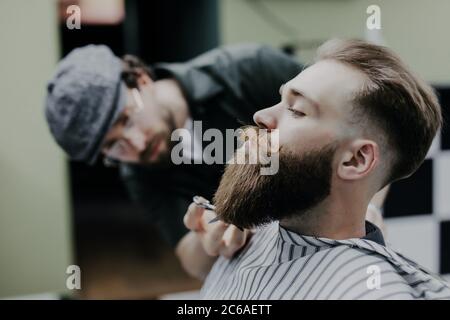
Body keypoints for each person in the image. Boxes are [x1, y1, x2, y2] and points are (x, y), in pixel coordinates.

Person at [45, 43, 387, 268]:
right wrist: (207, 239)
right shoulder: (139, 172)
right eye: (112, 147)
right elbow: (190, 260)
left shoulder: (250, 71)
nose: (133, 144)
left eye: (125, 118)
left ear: (140, 79)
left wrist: (364, 210)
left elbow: (368, 128)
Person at [180, 39, 450, 299]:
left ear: (355, 160)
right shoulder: (251, 233)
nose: (260, 116)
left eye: (297, 110)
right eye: (279, 100)